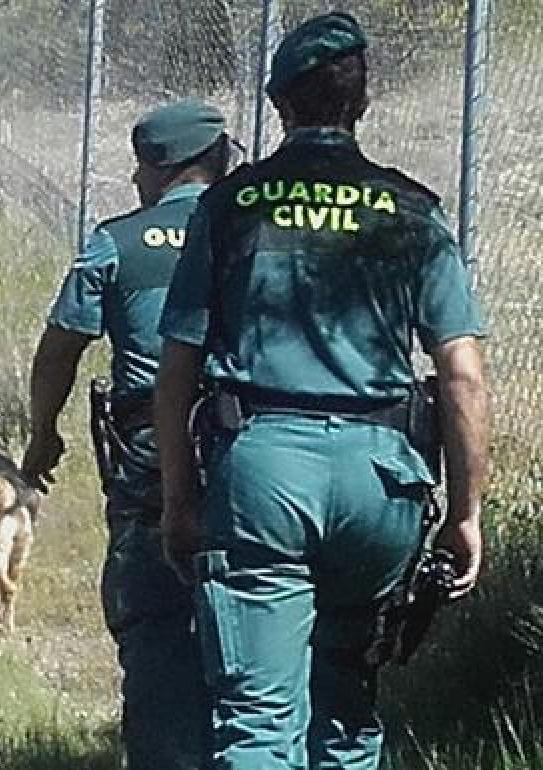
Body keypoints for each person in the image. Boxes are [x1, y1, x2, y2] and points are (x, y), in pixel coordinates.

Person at [154, 13, 489, 769]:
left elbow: (178, 371)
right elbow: (462, 375)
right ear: (361, 102)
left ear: (279, 103)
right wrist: (465, 514)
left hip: (263, 478)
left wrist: (178, 500)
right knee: (345, 713)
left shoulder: (233, 206)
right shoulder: (412, 211)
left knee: (258, 722)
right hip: (383, 482)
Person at [22, 99, 231, 770]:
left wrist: (42, 433)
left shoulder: (117, 241)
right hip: (252, 448)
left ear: (157, 168)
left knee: (156, 628)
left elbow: (59, 349)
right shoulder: (254, 230)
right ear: (219, 161)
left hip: (150, 457)